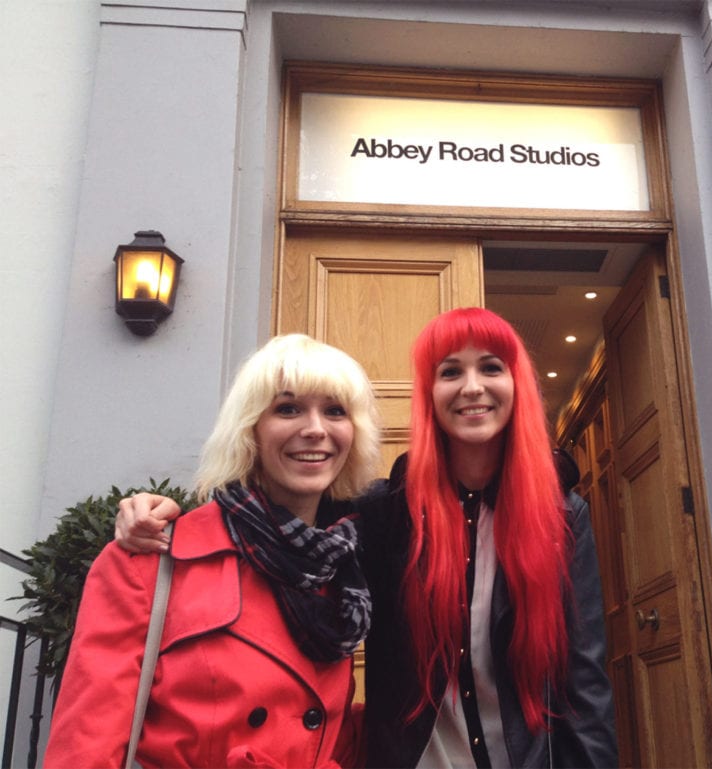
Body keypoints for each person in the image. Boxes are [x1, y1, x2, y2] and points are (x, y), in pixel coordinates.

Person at [116, 308, 618, 768]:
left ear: (516, 383)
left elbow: (584, 680)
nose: (471, 387)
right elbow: (270, 512)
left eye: (491, 367)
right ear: (429, 392)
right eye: (450, 372)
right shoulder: (383, 511)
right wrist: (159, 511)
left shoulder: (563, 516)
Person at [45, 334, 380, 769]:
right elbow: (86, 744)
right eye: (287, 409)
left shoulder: (345, 568)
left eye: (335, 411)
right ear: (249, 429)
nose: (315, 429)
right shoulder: (152, 560)